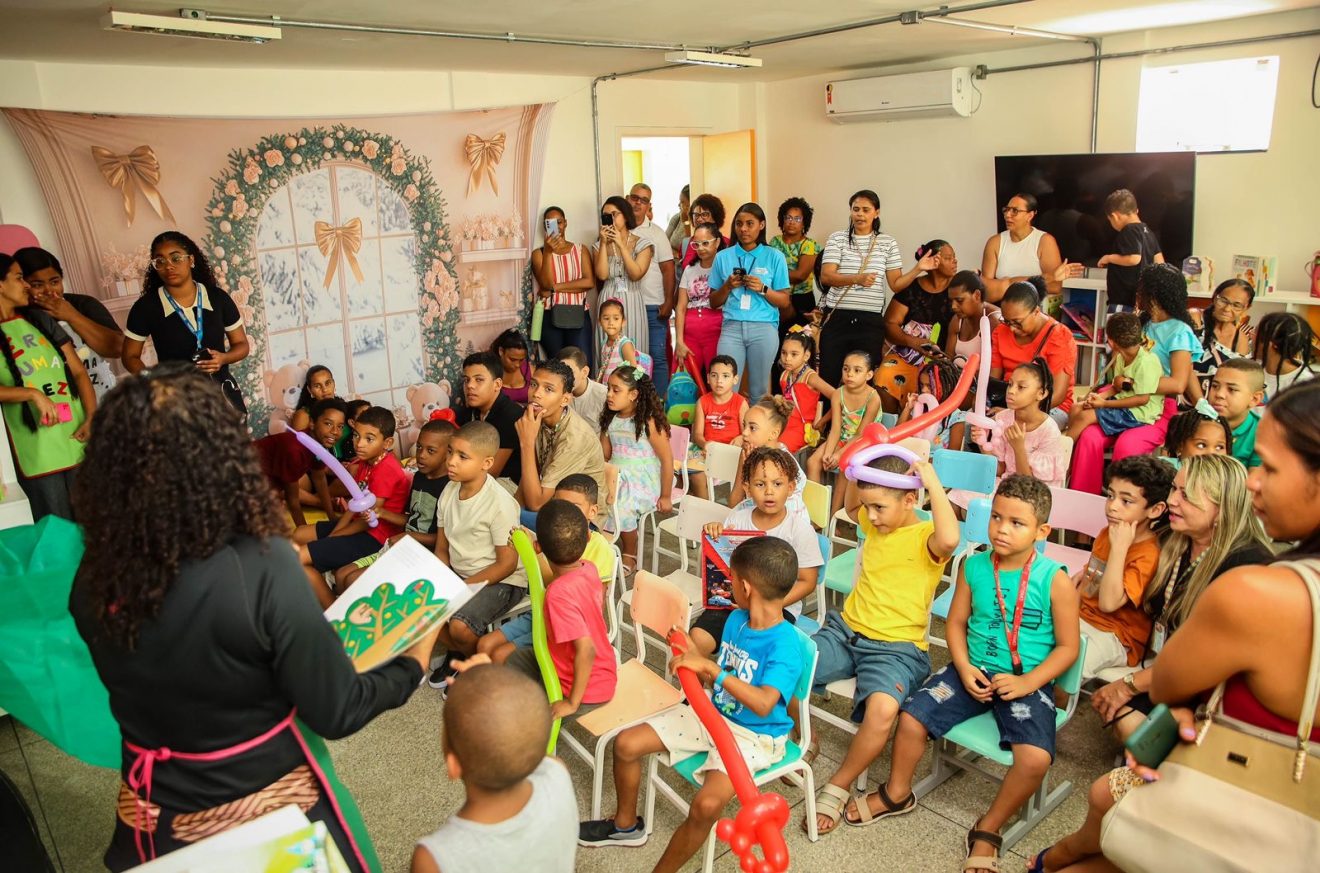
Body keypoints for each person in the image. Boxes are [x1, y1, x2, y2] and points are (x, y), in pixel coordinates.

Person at [69, 365, 433, 872]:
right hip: (266, 813)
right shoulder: (258, 564)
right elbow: (336, 710)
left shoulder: (95, 574)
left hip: (153, 817)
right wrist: (411, 664)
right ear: (222, 460)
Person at [1032, 387, 1320, 873]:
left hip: (1232, 788)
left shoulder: (1259, 587)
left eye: (1268, 466)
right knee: (1105, 806)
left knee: (1108, 801)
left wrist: (1131, 681)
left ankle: (1050, 858)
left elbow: (1168, 681)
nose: (1252, 482)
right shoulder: (1192, 553)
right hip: (1267, 803)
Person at [880, 475, 1079, 871]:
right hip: (971, 670)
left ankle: (988, 826)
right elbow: (954, 624)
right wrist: (965, 666)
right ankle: (897, 792)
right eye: (997, 518)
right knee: (910, 717)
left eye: (1017, 523)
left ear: (1042, 531)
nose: (1002, 529)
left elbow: (1068, 648)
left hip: (1027, 681)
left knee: (1036, 759)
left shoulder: (1054, 580)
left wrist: (1029, 682)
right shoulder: (973, 566)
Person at [579, 537, 805, 873]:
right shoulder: (735, 621)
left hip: (753, 737)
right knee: (626, 744)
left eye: (730, 579)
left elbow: (763, 702)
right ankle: (626, 826)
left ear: (745, 586)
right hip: (712, 713)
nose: (727, 585)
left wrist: (709, 668)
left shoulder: (786, 645)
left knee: (706, 804)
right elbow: (722, 676)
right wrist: (691, 653)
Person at [809, 456, 959, 835]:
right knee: (793, 664)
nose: (870, 516)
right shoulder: (874, 522)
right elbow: (849, 505)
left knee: (882, 712)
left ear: (911, 501)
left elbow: (951, 538)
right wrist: (856, 467)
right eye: (869, 505)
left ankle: (839, 783)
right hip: (847, 631)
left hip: (897, 649)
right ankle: (800, 738)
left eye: (880, 507)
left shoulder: (926, 538)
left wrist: (929, 479)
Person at [1089, 454, 1273, 740]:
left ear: (1222, 508)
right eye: (1175, 489)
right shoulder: (1172, 539)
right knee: (1125, 722)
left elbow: (1212, 659)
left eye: (1186, 495)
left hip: (1212, 688)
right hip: (1167, 670)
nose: (1173, 500)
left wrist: (1130, 684)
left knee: (1138, 729)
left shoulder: (1248, 566)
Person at [412, 661, 577, 873]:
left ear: (453, 766)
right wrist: (492, 681)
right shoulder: (557, 772)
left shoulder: (436, 857)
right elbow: (522, 735)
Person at [1070, 264, 1200, 494]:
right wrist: (1119, 383)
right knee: (1089, 438)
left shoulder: (1179, 331)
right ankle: (1082, 507)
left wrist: (1134, 383)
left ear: (1154, 294)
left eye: (1141, 290)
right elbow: (1121, 367)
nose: (1137, 294)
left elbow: (1179, 383)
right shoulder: (1143, 324)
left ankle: (1123, 508)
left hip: (1156, 409)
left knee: (1128, 444)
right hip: (1122, 400)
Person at [478, 474, 616, 662]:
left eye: (573, 508)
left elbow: (586, 606)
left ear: (592, 511)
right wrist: (526, 547)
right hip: (542, 613)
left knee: (500, 655)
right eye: (557, 507)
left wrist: (533, 554)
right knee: (484, 645)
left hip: (567, 626)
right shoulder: (547, 536)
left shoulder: (599, 548)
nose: (562, 514)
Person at [0, 253, 96, 520]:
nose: (27, 285)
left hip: (75, 435)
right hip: (37, 448)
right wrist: (31, 394)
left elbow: (78, 371)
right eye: (19, 278)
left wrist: (90, 416)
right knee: (56, 529)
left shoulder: (40, 321)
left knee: (93, 523)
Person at [697, 446, 823, 649]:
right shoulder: (737, 519)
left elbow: (808, 582)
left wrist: (770, 605)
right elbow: (722, 566)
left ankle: (728, 679)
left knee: (751, 652)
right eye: (760, 484)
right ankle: (716, 680)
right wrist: (717, 535)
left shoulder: (799, 528)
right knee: (697, 640)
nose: (769, 491)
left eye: (778, 483)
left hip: (779, 608)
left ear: (791, 488)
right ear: (747, 488)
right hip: (734, 601)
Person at [504, 499, 618, 718]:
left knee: (530, 730)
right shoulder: (588, 568)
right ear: (587, 539)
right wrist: (532, 552)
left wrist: (572, 703)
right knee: (513, 660)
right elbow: (554, 580)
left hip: (585, 690)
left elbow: (587, 649)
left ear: (539, 546)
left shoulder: (558, 595)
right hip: (599, 670)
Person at [431, 421, 526, 676]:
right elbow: (442, 548)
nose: (451, 461)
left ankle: (480, 670)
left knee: (459, 626)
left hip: (503, 581)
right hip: (463, 575)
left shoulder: (499, 504)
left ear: (486, 463)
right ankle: (465, 653)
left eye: (463, 457)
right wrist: (440, 581)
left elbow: (506, 565)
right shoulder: (449, 490)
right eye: (450, 451)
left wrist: (463, 588)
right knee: (423, 611)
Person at [294, 406, 411, 607]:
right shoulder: (366, 462)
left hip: (375, 538)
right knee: (299, 534)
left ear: (388, 443)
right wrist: (336, 531)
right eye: (357, 435)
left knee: (298, 558)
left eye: (369, 438)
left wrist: (338, 536)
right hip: (358, 525)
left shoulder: (387, 470)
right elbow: (355, 506)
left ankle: (333, 610)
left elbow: (369, 522)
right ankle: (324, 588)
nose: (359, 444)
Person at [123, 231, 249, 412]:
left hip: (222, 396)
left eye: (176, 258)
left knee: (232, 440)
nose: (168, 266)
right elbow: (129, 356)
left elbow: (242, 344)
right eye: (160, 261)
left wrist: (224, 358)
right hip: (176, 402)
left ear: (191, 260)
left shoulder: (218, 298)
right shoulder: (146, 307)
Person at [1075, 456, 1172, 677]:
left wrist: (1120, 549)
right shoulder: (1106, 533)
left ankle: (1055, 708)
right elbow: (1088, 583)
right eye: (1110, 495)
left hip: (1116, 635)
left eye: (1126, 501)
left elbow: (1109, 603)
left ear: (1155, 510)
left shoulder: (1148, 555)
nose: (1112, 507)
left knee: (1069, 664)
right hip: (1082, 618)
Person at [816, 190, 922, 390]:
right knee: (829, 377)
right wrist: (857, 279)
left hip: (870, 322)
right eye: (855, 209)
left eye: (866, 210)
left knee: (865, 381)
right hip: (838, 318)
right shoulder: (837, 238)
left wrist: (918, 269)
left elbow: (896, 284)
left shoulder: (887, 242)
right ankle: (830, 421)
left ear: (877, 213)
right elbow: (827, 276)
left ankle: (864, 422)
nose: (860, 215)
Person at [336, 418, 453, 590]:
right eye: (419, 447)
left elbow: (447, 541)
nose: (421, 455)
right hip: (402, 545)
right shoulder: (420, 477)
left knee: (353, 580)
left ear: (448, 453)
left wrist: (411, 536)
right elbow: (413, 519)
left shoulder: (449, 488)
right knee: (341, 573)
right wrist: (381, 513)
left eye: (431, 451)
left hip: (423, 552)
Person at [955, 359, 1068, 508]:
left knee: (977, 512)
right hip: (1006, 484)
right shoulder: (1004, 418)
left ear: (1041, 393)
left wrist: (1018, 448)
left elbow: (1031, 487)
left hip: (1033, 497)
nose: (1011, 391)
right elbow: (1000, 469)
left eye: (1021, 387)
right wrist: (982, 444)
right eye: (1010, 384)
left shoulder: (1049, 430)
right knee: (955, 499)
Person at [15, 246, 123, 399]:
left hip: (103, 399)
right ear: (23, 285)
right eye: (37, 285)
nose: (49, 291)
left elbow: (117, 349)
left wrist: (72, 316)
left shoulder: (83, 304)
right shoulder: (17, 318)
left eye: (54, 282)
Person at [710, 202, 792, 400]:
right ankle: (727, 429)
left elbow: (784, 301)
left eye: (749, 223)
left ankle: (758, 430)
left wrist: (763, 289)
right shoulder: (722, 257)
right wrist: (728, 286)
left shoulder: (775, 256)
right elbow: (713, 301)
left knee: (759, 389)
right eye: (739, 224)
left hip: (763, 328)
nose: (743, 229)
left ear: (761, 225)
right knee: (724, 386)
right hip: (731, 328)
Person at [514, 359, 607, 525]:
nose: (536, 394)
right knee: (503, 511)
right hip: (552, 502)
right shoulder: (537, 417)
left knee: (502, 516)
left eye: (548, 389)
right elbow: (530, 474)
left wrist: (526, 443)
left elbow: (536, 504)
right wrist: (515, 508)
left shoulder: (575, 438)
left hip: (581, 519)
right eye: (534, 385)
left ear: (565, 400)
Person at [600, 365, 673, 571]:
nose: (609, 395)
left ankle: (630, 552)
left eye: (616, 390)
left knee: (622, 507)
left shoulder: (647, 421)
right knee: (595, 499)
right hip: (617, 474)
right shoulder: (611, 420)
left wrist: (666, 495)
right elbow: (605, 455)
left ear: (633, 394)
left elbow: (667, 460)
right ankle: (602, 545)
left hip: (644, 479)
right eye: (608, 389)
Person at [877, 239, 956, 407]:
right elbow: (890, 323)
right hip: (908, 357)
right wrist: (912, 342)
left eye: (954, 257)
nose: (955, 261)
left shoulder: (958, 287)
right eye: (949, 258)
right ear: (933, 260)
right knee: (885, 374)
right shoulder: (912, 288)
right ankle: (891, 427)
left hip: (944, 361)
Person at [989, 281, 1077, 428]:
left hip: (1049, 406)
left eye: (1017, 322)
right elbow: (994, 379)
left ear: (1036, 311)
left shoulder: (1059, 336)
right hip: (1008, 399)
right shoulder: (1000, 332)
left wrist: (1012, 413)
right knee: (973, 424)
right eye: (1006, 321)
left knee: (1019, 428)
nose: (1011, 329)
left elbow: (1058, 395)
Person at [1065, 312, 1162, 442]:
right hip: (1123, 403)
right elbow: (1116, 388)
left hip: (1139, 413)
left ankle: (1063, 456)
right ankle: (1070, 451)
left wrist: (1104, 403)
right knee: (1075, 408)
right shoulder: (1121, 357)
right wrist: (1099, 398)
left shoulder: (1147, 362)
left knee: (1085, 416)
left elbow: (1142, 399)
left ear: (1111, 342)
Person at [254, 396, 346, 527]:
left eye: (340, 426)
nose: (335, 432)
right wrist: (304, 533)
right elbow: (292, 501)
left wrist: (332, 519)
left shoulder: (317, 445)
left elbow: (320, 479)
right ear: (312, 423)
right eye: (328, 424)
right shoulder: (295, 451)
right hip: (241, 474)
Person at [808, 350, 881, 514]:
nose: (850, 374)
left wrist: (839, 455)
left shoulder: (873, 398)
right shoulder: (838, 394)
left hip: (864, 443)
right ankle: (817, 514)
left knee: (844, 468)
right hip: (843, 438)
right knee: (813, 461)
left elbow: (861, 434)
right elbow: (835, 428)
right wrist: (828, 453)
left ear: (869, 375)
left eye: (857, 370)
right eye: (846, 369)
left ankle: (833, 516)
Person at [980, 193, 1079, 303]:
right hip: (1000, 309)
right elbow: (986, 290)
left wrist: (1004, 283)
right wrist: (1042, 279)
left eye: (1015, 211)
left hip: (1034, 309)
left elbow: (1055, 287)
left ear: (1030, 215)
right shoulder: (995, 242)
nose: (1008, 215)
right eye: (1006, 210)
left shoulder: (1045, 241)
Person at [628, 183, 676, 399]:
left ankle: (658, 407)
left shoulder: (656, 233)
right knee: (631, 359)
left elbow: (668, 269)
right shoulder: (620, 230)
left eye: (644, 199)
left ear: (649, 205)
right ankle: (636, 405)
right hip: (626, 306)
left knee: (656, 356)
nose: (638, 202)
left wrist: (668, 302)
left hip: (653, 305)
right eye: (635, 197)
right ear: (628, 199)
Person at [593, 195, 654, 364]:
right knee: (607, 353)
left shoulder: (643, 244)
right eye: (606, 215)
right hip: (608, 298)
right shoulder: (598, 246)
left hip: (632, 299)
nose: (610, 219)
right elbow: (602, 275)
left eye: (615, 214)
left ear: (626, 216)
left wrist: (621, 244)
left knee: (634, 349)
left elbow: (635, 274)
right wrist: (605, 243)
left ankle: (636, 388)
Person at [531, 206, 596, 361]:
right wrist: (548, 252)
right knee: (556, 366)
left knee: (581, 362)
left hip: (578, 314)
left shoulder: (581, 250)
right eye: (550, 223)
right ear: (544, 227)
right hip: (549, 315)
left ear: (565, 223)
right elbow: (545, 284)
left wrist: (555, 288)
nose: (556, 227)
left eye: (559, 222)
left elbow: (588, 282)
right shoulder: (539, 253)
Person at [769, 197, 820, 385]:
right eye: (788, 217)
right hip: (777, 301)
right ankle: (777, 396)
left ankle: (802, 396)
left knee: (801, 350)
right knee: (779, 351)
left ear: (804, 222)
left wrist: (774, 275)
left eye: (797, 219)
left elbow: (800, 274)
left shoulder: (810, 245)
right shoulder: (773, 242)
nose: (791, 222)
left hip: (802, 302)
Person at [455, 351, 523, 487]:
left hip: (505, 484)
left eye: (479, 380)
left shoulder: (511, 415)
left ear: (497, 385)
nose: (470, 386)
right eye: (466, 380)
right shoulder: (468, 411)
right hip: (473, 475)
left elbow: (491, 472)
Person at [728, 395, 806, 510]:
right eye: (744, 425)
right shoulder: (747, 454)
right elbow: (733, 506)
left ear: (773, 434)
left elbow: (772, 514)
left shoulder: (782, 464)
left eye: (752, 428)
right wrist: (744, 465)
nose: (744, 432)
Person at [688, 354, 747, 499]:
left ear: (735, 379)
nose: (719, 381)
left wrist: (740, 437)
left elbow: (747, 432)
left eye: (725, 376)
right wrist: (705, 444)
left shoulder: (740, 403)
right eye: (714, 375)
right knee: (696, 475)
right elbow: (697, 435)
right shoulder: (703, 402)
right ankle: (705, 510)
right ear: (708, 378)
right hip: (708, 452)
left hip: (731, 454)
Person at [1097, 188, 1164, 310]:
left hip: (1124, 299)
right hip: (1142, 301)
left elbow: (1134, 259)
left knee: (1119, 328)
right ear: (1136, 210)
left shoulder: (1128, 230)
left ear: (1114, 216)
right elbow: (1160, 263)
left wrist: (1108, 258)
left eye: (1110, 220)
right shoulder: (1148, 232)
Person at [673, 222, 726, 374]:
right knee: (684, 381)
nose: (701, 248)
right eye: (696, 244)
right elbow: (681, 307)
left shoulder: (724, 267)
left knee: (717, 378)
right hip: (690, 334)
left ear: (717, 242)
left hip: (717, 332)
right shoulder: (689, 269)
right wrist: (679, 341)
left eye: (705, 243)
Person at [1190, 278, 1255, 395]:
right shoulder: (1195, 318)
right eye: (1223, 301)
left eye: (1237, 305)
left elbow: (1238, 380)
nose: (1227, 309)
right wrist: (1200, 404)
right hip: (1183, 399)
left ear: (1246, 308)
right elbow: (1183, 365)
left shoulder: (1241, 339)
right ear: (1215, 297)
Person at [776, 330, 835, 454]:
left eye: (794, 354)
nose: (787, 358)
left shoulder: (810, 377)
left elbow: (838, 397)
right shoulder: (785, 374)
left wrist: (823, 421)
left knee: (777, 450)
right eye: (783, 353)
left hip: (803, 428)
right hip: (782, 423)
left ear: (806, 356)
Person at [1208, 357, 1265, 468]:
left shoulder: (1262, 434)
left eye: (1231, 389)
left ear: (1255, 399)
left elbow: (1254, 483)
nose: (1219, 394)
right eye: (1215, 386)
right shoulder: (1196, 423)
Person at [899, 357, 967, 451]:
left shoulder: (956, 417)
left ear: (946, 386)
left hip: (936, 464)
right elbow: (897, 437)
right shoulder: (919, 409)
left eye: (929, 386)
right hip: (911, 458)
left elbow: (952, 456)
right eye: (922, 385)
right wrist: (908, 409)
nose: (923, 390)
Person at [1253, 311, 1318, 399]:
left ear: (1271, 344)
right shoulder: (1250, 367)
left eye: (1255, 332)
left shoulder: (1304, 387)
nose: (1251, 336)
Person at [943, 271, 1002, 367]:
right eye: (951, 301)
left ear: (977, 295)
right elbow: (948, 358)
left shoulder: (994, 321)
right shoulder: (957, 320)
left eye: (959, 300)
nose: (953, 306)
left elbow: (992, 370)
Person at [554, 346, 606, 433]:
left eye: (570, 372)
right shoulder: (557, 394)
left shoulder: (603, 395)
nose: (565, 378)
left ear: (585, 372)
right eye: (560, 372)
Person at [1161, 403, 1232, 466]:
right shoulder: (1164, 472)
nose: (1211, 453)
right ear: (1180, 446)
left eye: (1219, 447)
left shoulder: (1228, 476)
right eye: (1201, 445)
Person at [596, 298, 644, 382]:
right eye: (606, 318)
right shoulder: (604, 344)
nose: (611, 322)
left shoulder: (625, 344)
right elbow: (604, 369)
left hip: (620, 391)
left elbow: (633, 372)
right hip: (607, 390)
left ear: (623, 322)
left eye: (616, 318)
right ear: (599, 321)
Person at [679, 194, 728, 268]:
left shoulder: (728, 244)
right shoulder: (685, 244)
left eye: (704, 214)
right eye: (696, 215)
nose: (699, 219)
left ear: (716, 217)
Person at [289, 365, 338, 432]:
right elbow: (295, 442)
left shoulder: (343, 407)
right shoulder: (303, 415)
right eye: (317, 386)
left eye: (328, 383)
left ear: (334, 383)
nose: (324, 390)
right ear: (310, 390)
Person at [491, 329, 532, 406]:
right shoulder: (490, 371)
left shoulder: (529, 370)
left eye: (521, 360)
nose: (517, 365)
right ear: (501, 351)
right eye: (512, 359)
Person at [665, 184, 691, 257]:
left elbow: (690, 249)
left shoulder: (698, 222)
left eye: (682, 202)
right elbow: (663, 243)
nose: (679, 204)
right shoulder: (676, 218)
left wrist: (686, 222)